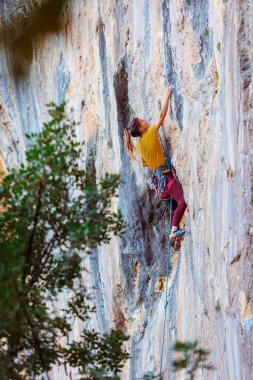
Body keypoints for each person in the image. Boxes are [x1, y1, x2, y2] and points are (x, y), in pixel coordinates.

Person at [123, 87, 187, 246]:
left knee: (173, 206)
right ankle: (173, 232)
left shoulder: (139, 146)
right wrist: (166, 97)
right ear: (141, 128)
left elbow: (144, 163)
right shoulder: (150, 133)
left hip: (160, 185)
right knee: (183, 201)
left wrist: (155, 158)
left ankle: (176, 240)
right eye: (143, 121)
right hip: (166, 178)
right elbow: (162, 115)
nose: (146, 121)